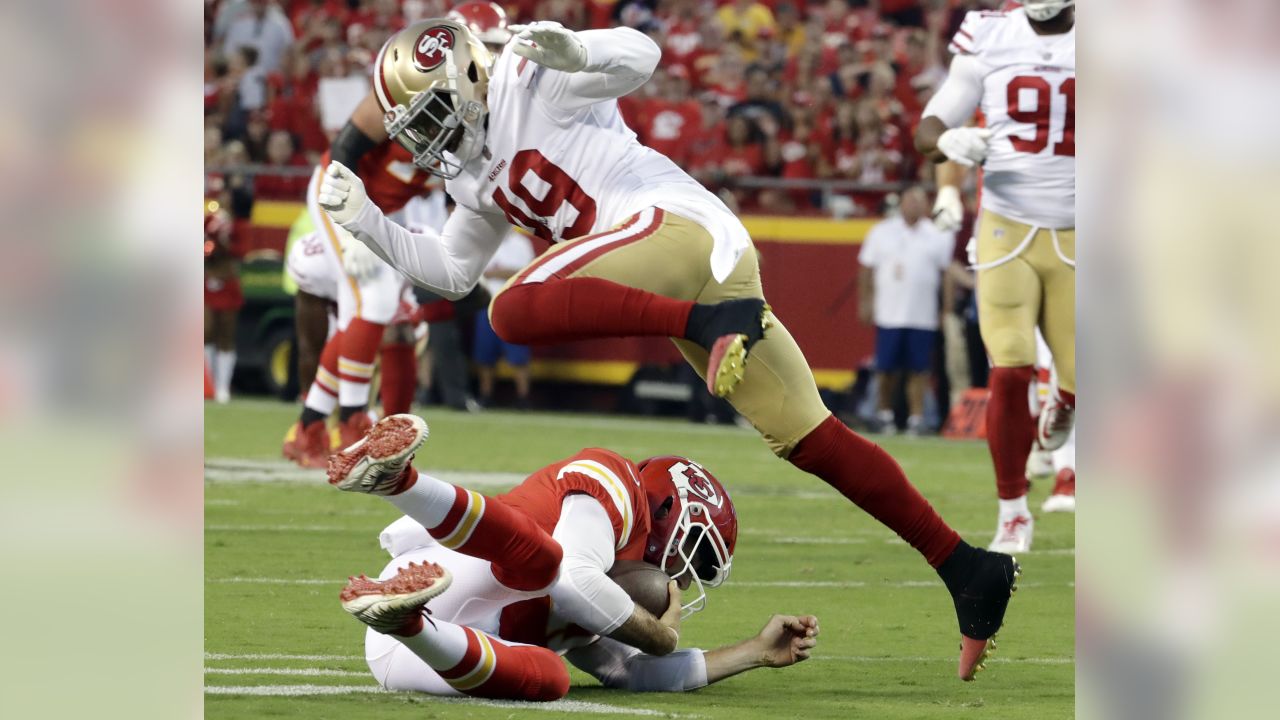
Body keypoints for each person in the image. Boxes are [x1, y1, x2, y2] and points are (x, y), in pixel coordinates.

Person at [318, 18, 1018, 680]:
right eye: (420, 129)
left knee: (514, 309)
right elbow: (451, 270)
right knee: (809, 437)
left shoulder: (531, 76)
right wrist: (370, 224)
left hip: (675, 228)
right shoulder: (473, 173)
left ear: (472, 74)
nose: (434, 139)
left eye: (437, 114)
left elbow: (641, 55)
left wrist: (577, 51)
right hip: (686, 268)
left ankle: (714, 323)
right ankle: (967, 570)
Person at [328, 414, 817, 699]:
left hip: (424, 650)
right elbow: (573, 583)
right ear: (669, 510)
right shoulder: (618, 484)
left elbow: (631, 671)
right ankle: (399, 482)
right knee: (545, 563)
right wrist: (662, 637)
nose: (684, 581)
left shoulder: (607, 594)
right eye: (693, 554)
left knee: (553, 677)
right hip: (447, 570)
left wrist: (754, 652)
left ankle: (402, 616)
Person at [283, 3, 512, 467]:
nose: (490, 62)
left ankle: (309, 427)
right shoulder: (415, 78)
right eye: (484, 48)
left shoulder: (493, 109)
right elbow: (346, 146)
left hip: (390, 209)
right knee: (375, 302)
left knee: (369, 312)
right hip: (344, 191)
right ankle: (351, 420)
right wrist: (349, 218)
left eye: (496, 49)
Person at [914, 0, 1075, 553]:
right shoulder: (991, 33)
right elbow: (929, 125)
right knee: (1010, 368)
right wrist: (946, 143)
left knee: (1082, 382)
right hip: (1007, 226)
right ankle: (1012, 513)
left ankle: (1067, 404)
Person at [857, 187, 955, 435]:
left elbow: (946, 275)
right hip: (889, 312)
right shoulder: (882, 231)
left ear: (926, 206)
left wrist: (946, 309)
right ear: (901, 204)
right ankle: (884, 414)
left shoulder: (938, 235)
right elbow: (866, 269)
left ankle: (916, 417)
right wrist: (866, 301)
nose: (913, 206)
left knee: (919, 370)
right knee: (885, 369)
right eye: (909, 201)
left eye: (919, 201)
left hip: (922, 314)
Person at [474, 231, 535, 408]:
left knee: (519, 356)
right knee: (485, 355)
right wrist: (503, 272)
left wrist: (499, 272)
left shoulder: (521, 243)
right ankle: (485, 396)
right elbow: (477, 272)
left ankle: (524, 398)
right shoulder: (485, 240)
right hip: (487, 304)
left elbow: (527, 272)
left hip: (513, 305)